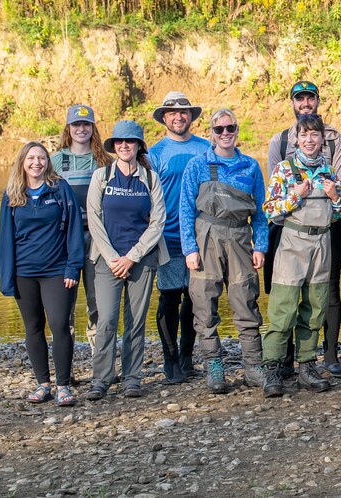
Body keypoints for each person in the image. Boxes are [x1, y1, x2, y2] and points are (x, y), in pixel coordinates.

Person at [266, 81, 341, 380]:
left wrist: (334, 197)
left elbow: (340, 199)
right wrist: (296, 195)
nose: (310, 139)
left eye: (315, 135)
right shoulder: (281, 151)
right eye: (305, 135)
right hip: (291, 232)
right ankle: (276, 368)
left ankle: (313, 362)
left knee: (320, 301)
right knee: (284, 303)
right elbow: (272, 203)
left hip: (325, 234)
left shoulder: (333, 149)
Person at [179, 108, 268, 394]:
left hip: (241, 237)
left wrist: (261, 246)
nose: (225, 134)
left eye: (230, 128)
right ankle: (214, 367)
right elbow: (185, 210)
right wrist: (189, 249)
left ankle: (253, 366)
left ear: (237, 131)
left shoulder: (251, 166)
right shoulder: (197, 164)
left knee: (246, 300)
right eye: (219, 130)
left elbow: (261, 214)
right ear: (211, 134)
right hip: (207, 234)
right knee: (204, 304)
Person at [85, 120, 170, 400]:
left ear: (138, 146)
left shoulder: (150, 178)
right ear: (113, 146)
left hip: (142, 261)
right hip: (106, 261)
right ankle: (101, 378)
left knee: (135, 322)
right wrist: (113, 259)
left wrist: (131, 257)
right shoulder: (101, 176)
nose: (124, 146)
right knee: (107, 320)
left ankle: (132, 378)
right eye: (119, 142)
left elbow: (158, 221)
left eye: (130, 142)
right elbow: (94, 220)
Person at [0, 142, 84, 406]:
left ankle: (63, 386)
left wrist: (73, 266)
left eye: (42, 158)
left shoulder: (60, 189)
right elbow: (5, 238)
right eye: (31, 158)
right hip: (24, 272)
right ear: (23, 162)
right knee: (33, 327)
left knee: (59, 325)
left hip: (57, 271)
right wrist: (7, 277)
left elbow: (74, 229)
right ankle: (43, 384)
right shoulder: (12, 194)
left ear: (48, 162)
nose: (37, 163)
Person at [148, 91, 210, 383]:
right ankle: (170, 359)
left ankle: (187, 356)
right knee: (169, 297)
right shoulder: (155, 154)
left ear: (191, 117)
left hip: (202, 236)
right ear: (164, 118)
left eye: (183, 112)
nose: (178, 117)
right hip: (169, 235)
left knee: (195, 299)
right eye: (171, 112)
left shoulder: (206, 148)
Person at [50, 105, 112, 350]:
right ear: (69, 128)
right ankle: (66, 366)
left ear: (93, 128)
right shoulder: (55, 160)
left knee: (97, 303)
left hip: (97, 239)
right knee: (64, 304)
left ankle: (101, 363)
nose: (81, 129)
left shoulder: (105, 161)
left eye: (86, 124)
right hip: (65, 241)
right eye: (76, 125)